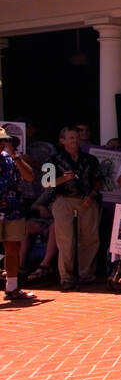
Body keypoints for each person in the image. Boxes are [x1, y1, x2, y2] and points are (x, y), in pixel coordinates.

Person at [49, 125, 104, 290]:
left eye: (77, 137)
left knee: (90, 238)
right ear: (62, 141)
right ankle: (66, 277)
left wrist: (92, 196)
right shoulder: (52, 159)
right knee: (66, 240)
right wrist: (62, 179)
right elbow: (46, 182)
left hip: (87, 200)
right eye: (71, 138)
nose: (75, 140)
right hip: (63, 200)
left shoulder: (90, 159)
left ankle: (85, 275)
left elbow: (98, 180)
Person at [0, 127, 37, 303]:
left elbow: (29, 177)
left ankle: (12, 287)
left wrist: (15, 156)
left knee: (12, 248)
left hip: (13, 210)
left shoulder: (10, 159)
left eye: (4, 141)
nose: (2, 144)